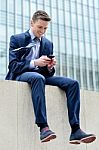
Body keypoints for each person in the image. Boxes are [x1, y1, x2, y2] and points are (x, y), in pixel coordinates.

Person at [5, 10, 96, 144]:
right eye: (40, 27)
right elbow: (13, 66)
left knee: (73, 83)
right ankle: (43, 127)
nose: (42, 31)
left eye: (45, 28)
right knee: (37, 78)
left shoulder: (48, 44)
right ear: (32, 23)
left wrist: (49, 67)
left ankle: (75, 129)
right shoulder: (17, 39)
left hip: (40, 76)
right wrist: (35, 62)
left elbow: (47, 74)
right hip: (20, 75)